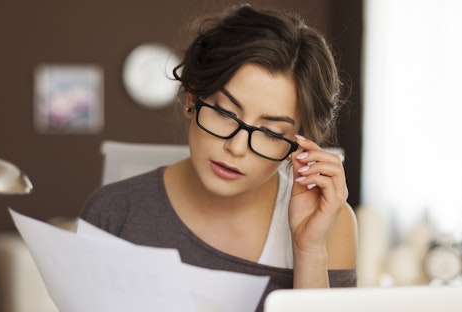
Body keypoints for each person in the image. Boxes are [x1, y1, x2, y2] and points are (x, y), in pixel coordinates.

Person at [82, 3, 357, 310]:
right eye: (226, 113)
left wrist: (309, 250)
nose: (237, 147)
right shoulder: (112, 213)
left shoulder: (330, 223)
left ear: (297, 144)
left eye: (270, 133)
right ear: (192, 98)